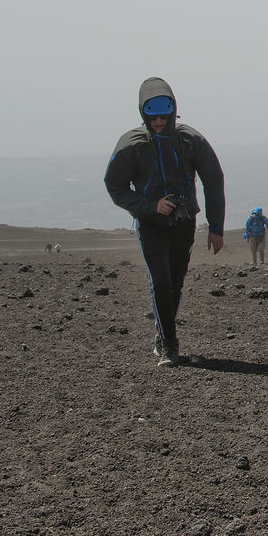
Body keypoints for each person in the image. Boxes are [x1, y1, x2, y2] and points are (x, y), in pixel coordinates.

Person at [104, 77, 225, 367]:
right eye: (152, 115)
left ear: (173, 111)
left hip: (184, 223)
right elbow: (115, 186)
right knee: (160, 282)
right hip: (151, 224)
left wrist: (216, 227)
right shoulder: (130, 145)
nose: (158, 121)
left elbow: (213, 180)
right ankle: (169, 344)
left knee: (175, 282)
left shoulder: (190, 140)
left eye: (164, 114)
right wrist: (150, 206)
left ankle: (162, 334)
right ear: (142, 113)